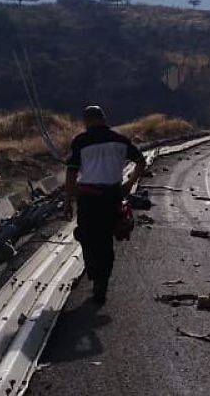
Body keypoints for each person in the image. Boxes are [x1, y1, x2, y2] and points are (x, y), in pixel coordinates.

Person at [63, 105, 146, 303]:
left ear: (87, 121)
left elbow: (71, 173)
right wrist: (130, 182)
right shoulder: (120, 140)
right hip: (112, 196)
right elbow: (141, 161)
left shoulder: (80, 141)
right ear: (103, 118)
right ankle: (103, 280)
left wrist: (68, 200)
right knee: (106, 238)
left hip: (88, 198)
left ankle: (95, 275)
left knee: (87, 237)